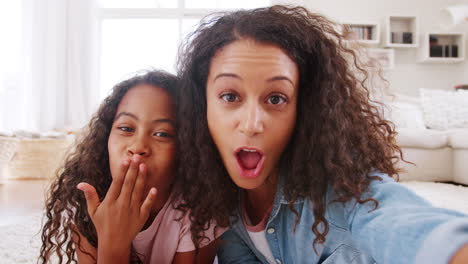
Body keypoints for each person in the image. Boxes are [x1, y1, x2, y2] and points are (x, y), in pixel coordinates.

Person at [175, 5, 468, 264]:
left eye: (276, 98)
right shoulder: (221, 202)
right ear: (203, 107)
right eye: (229, 96)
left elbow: (406, 223)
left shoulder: (347, 191)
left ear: (304, 109)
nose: (251, 124)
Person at [39, 70, 223, 264]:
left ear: (187, 149)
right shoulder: (85, 199)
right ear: (105, 140)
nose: (138, 147)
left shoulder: (200, 210)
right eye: (126, 129)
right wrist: (113, 242)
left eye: (162, 134)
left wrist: (114, 246)